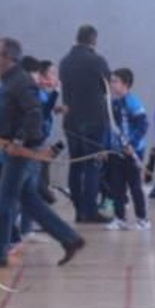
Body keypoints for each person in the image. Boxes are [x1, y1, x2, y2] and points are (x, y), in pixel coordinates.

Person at [0, 38, 84, 268]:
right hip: (16, 150)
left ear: (9, 58)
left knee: (3, 201)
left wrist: (19, 141)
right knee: (29, 200)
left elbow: (34, 113)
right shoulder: (10, 81)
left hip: (22, 152)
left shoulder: (19, 81)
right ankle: (70, 238)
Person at [58, 24, 113, 224]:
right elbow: (107, 85)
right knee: (92, 165)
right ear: (93, 40)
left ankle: (78, 210)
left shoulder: (64, 62)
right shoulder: (97, 61)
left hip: (71, 120)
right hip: (94, 120)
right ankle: (90, 210)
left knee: (76, 165)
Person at [104, 67, 149, 229]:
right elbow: (110, 128)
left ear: (126, 84)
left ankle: (142, 219)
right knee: (117, 186)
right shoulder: (113, 103)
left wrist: (133, 145)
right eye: (111, 81)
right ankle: (119, 218)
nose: (112, 84)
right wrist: (106, 148)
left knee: (135, 186)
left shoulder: (132, 101)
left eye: (115, 81)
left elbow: (143, 124)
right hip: (116, 152)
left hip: (132, 152)